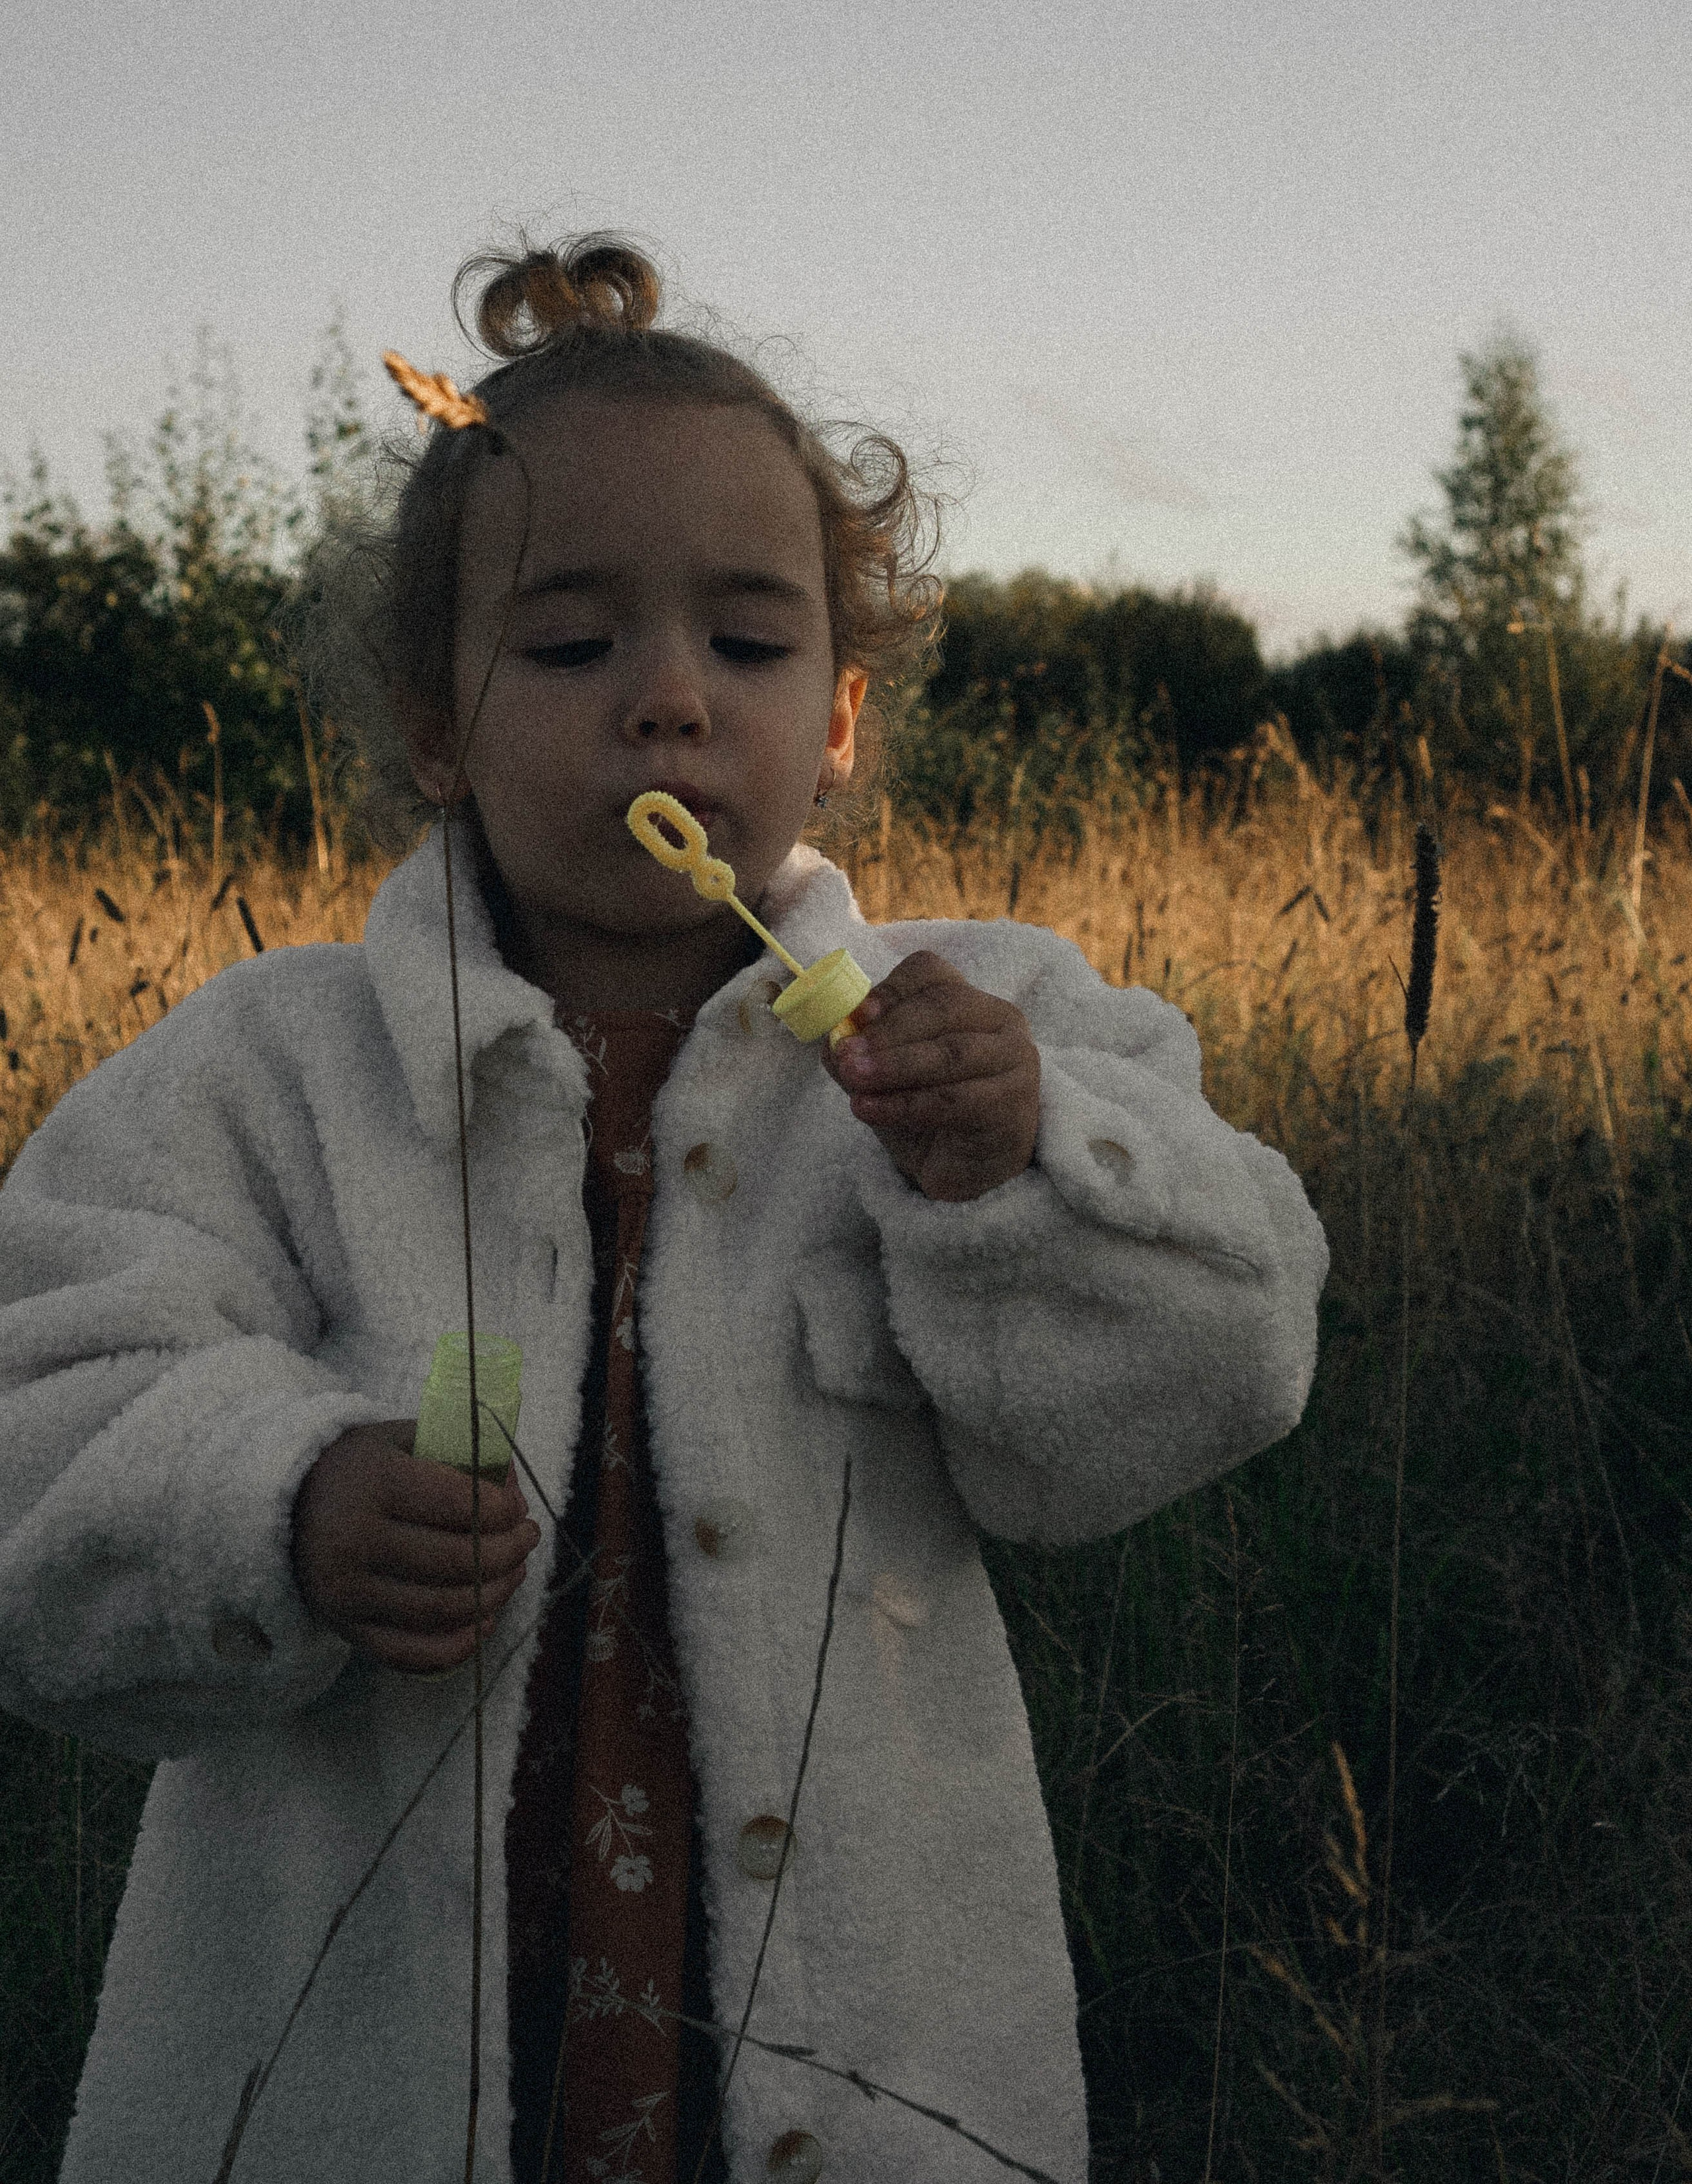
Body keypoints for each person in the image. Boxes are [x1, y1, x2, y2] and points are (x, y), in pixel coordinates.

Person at [0, 237, 1328, 2184]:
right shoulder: (270, 1073)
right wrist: (272, 1502)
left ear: (846, 716)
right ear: (435, 721)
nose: (671, 705)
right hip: (339, 2067)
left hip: (859, 2057)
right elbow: (38, 1410)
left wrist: (1026, 1165)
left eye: (754, 643)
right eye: (567, 645)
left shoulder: (996, 1032)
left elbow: (1223, 1363)